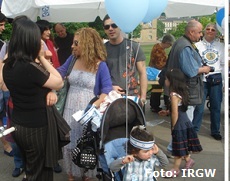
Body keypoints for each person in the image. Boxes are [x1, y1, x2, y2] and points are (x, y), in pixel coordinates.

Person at [3, 17, 64, 181]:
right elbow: (59, 81)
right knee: (39, 172)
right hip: (36, 126)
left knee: (31, 168)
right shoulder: (29, 67)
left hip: (18, 124)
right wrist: (43, 58)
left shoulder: (8, 64)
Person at [56, 27, 113, 180]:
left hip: (88, 110)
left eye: (76, 43)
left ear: (87, 44)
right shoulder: (72, 59)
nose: (72, 46)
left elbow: (106, 89)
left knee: (86, 143)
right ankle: (71, 174)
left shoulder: (100, 65)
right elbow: (59, 72)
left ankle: (86, 174)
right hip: (69, 108)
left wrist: (93, 107)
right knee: (70, 143)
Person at [165, 20, 210, 121]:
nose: (201, 34)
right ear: (191, 32)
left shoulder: (180, 42)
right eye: (199, 32)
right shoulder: (185, 46)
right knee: (185, 122)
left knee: (179, 122)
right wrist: (205, 69)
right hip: (186, 91)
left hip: (180, 89)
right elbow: (190, 71)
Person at [164, 69, 202, 177]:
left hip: (179, 123)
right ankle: (189, 160)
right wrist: (167, 111)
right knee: (183, 145)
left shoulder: (173, 95)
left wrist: (174, 126)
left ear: (172, 81)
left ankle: (175, 169)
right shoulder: (182, 91)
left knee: (178, 147)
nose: (165, 81)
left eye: (166, 79)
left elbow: (175, 113)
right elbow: (179, 108)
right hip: (185, 121)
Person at [103, 15, 147, 107]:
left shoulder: (134, 47)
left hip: (132, 97)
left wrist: (143, 97)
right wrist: (110, 87)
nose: (110, 29)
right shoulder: (102, 50)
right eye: (107, 27)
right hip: (110, 97)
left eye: (114, 25)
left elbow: (142, 73)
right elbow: (97, 75)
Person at [194, 23, 225, 140]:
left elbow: (222, 64)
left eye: (213, 30)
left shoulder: (220, 46)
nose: (210, 31)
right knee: (199, 107)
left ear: (216, 32)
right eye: (208, 29)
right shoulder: (197, 45)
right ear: (204, 31)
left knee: (216, 107)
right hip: (202, 78)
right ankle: (195, 129)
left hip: (216, 77)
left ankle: (215, 130)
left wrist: (224, 82)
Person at [149, 34, 175, 113]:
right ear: (166, 42)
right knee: (157, 89)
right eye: (170, 44)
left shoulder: (157, 47)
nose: (169, 46)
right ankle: (155, 106)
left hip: (156, 71)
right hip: (156, 72)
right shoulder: (158, 50)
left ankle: (154, 105)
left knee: (157, 89)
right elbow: (160, 64)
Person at [0, 11, 12, 158]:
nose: (3, 28)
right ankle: (5, 144)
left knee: (3, 115)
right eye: (1, 25)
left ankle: (6, 143)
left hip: (3, 87)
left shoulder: (2, 44)